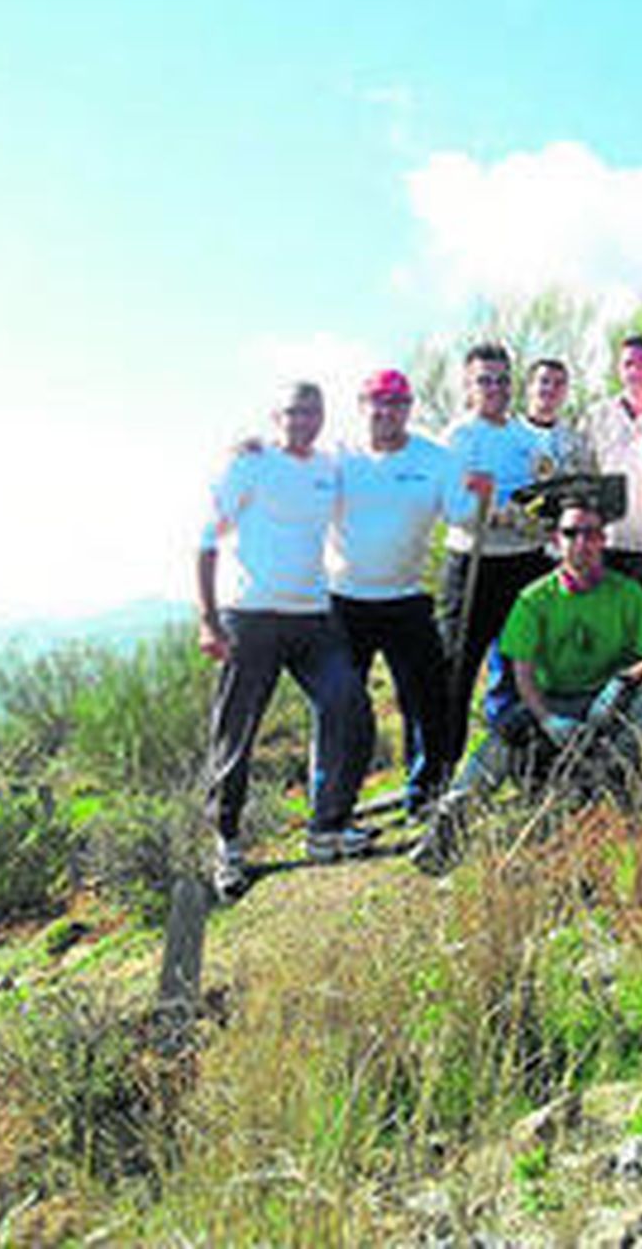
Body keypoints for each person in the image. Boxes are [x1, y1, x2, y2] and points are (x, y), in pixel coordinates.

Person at [412, 497, 642, 871]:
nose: (581, 542)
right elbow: (522, 672)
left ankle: (621, 791)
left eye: (590, 533)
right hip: (555, 702)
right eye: (571, 533)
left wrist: (626, 678)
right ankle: (450, 822)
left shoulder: (627, 593)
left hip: (613, 703)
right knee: (503, 734)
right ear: (557, 539)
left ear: (603, 540)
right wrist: (547, 718)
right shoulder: (534, 599)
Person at [196, 381, 374, 898]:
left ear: (322, 417)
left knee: (350, 706)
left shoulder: (328, 467)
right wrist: (208, 619)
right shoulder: (249, 464)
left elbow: (369, 466)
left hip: (313, 616)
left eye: (312, 412)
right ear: (276, 416)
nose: (303, 421)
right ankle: (227, 847)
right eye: (294, 412)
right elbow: (206, 541)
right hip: (250, 617)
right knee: (237, 734)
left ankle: (328, 827)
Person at [327, 368, 465, 820]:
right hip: (344, 600)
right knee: (342, 708)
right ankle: (331, 812)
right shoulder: (337, 456)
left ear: (409, 408)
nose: (385, 411)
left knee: (428, 701)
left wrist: (481, 498)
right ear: (361, 406)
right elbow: (293, 477)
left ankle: (424, 797)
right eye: (377, 402)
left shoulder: (436, 458)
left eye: (396, 403)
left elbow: (462, 515)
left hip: (406, 597)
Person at [439, 345, 579, 763]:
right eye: (485, 380)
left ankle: (520, 768)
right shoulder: (458, 437)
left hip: (525, 564)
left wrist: (541, 516)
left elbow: (545, 495)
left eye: (502, 380)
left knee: (527, 672)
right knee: (455, 675)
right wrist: (497, 515)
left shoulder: (525, 437)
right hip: (473, 565)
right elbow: (451, 506)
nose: (495, 388)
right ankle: (433, 782)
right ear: (468, 386)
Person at [475, 356, 592, 731]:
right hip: (515, 554)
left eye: (558, 383)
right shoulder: (510, 434)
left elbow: (586, 489)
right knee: (509, 646)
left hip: (562, 559)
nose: (550, 390)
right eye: (543, 382)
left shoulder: (573, 440)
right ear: (528, 387)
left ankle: (550, 725)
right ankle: (503, 728)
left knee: (552, 647)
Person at [585, 335, 642, 584]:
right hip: (608, 541)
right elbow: (585, 474)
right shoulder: (597, 416)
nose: (634, 371)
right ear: (618, 370)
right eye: (627, 364)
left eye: (641, 364)